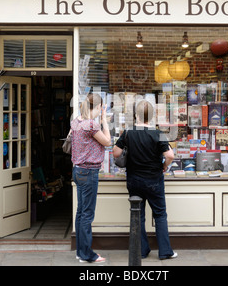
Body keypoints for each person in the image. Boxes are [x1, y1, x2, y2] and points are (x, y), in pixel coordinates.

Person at [112, 100, 177, 260]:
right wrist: (164, 166)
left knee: (138, 215)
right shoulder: (157, 134)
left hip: (134, 180)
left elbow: (115, 152)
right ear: (152, 116)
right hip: (154, 180)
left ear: (136, 116)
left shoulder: (128, 133)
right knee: (160, 214)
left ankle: (141, 250)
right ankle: (165, 252)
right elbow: (170, 155)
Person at [71, 93, 111, 263]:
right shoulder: (90, 125)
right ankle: (87, 254)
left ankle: (81, 251)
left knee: (81, 212)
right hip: (89, 172)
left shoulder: (76, 121)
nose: (100, 111)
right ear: (96, 108)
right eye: (100, 108)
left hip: (78, 170)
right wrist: (104, 120)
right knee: (87, 214)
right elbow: (107, 141)